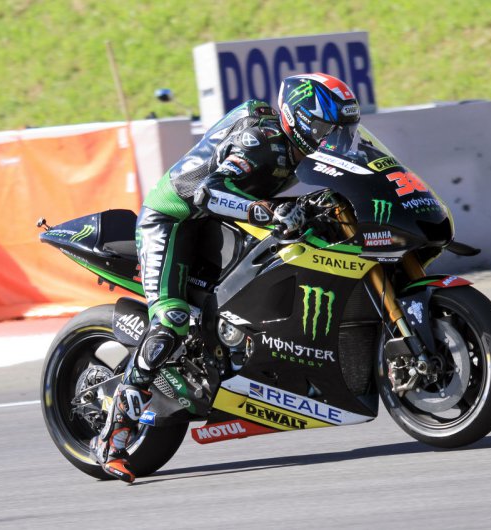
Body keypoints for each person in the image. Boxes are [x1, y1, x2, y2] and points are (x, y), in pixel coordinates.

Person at [90, 73, 361, 482]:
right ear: (300, 121)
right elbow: (208, 192)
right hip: (175, 219)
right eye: (328, 130)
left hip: (218, 221)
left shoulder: (309, 151)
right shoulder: (260, 141)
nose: (336, 141)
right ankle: (115, 432)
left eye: (343, 132)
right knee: (172, 319)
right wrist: (266, 211)